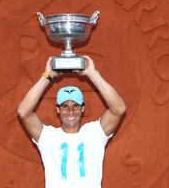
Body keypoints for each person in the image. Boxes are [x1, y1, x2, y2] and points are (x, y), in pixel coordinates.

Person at [17, 55, 127, 188]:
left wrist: (93, 74)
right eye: (65, 106)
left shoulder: (94, 133)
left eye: (75, 106)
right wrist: (47, 76)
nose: (71, 111)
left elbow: (119, 109)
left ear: (83, 109)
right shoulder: (48, 137)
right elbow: (23, 112)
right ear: (58, 110)